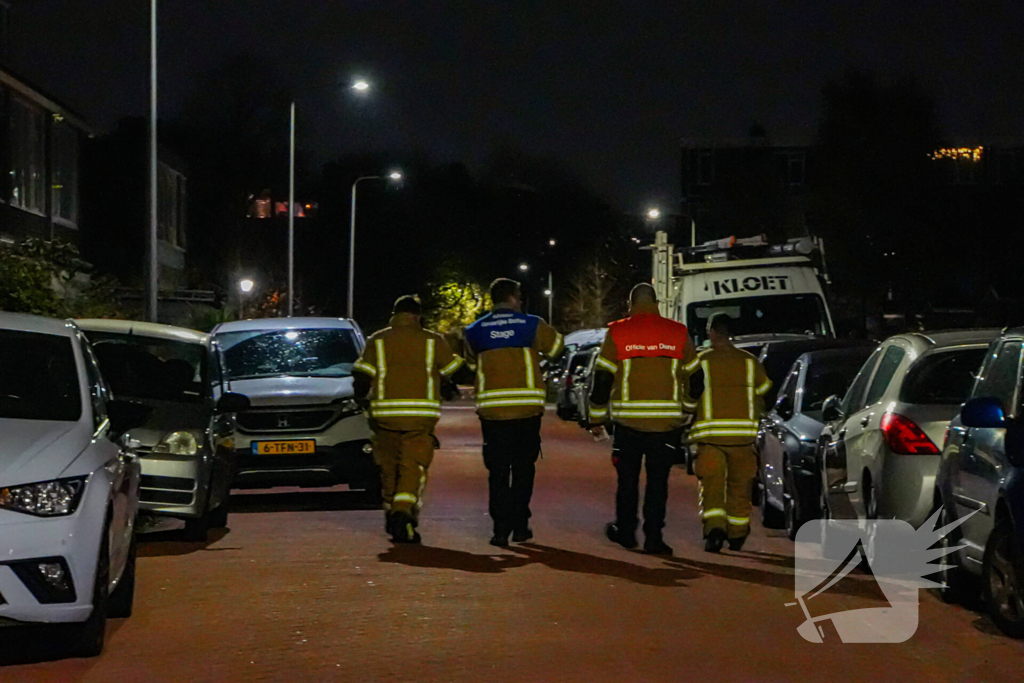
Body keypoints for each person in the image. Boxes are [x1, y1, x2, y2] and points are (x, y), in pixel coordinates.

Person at [352, 295, 474, 543]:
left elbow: (361, 377)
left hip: (384, 416)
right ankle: (402, 513)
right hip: (419, 417)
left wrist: (361, 398)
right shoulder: (431, 341)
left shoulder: (377, 340)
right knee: (413, 467)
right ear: (418, 315)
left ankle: (391, 512)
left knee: (388, 466)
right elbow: (457, 371)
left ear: (394, 314)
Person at [587, 283, 698, 555]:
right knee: (658, 483)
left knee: (627, 481)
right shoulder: (677, 332)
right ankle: (654, 538)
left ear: (630, 305)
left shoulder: (618, 332)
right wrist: (688, 409)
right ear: (657, 302)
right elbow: (695, 378)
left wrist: (596, 418)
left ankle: (626, 532)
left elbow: (602, 379)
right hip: (665, 425)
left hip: (628, 424)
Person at [464, 278, 564, 547]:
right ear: (511, 298)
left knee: (497, 471)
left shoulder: (474, 330)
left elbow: (473, 362)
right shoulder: (531, 324)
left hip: (492, 413)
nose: (520, 302)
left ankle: (499, 529)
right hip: (526, 410)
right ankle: (520, 525)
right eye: (518, 297)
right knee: (523, 469)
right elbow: (557, 348)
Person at [683, 313, 771, 553]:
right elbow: (764, 389)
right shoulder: (749, 362)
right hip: (743, 439)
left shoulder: (700, 361)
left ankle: (714, 529)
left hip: (710, 439)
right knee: (740, 488)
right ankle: (738, 534)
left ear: (711, 332)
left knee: (712, 487)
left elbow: (689, 395)